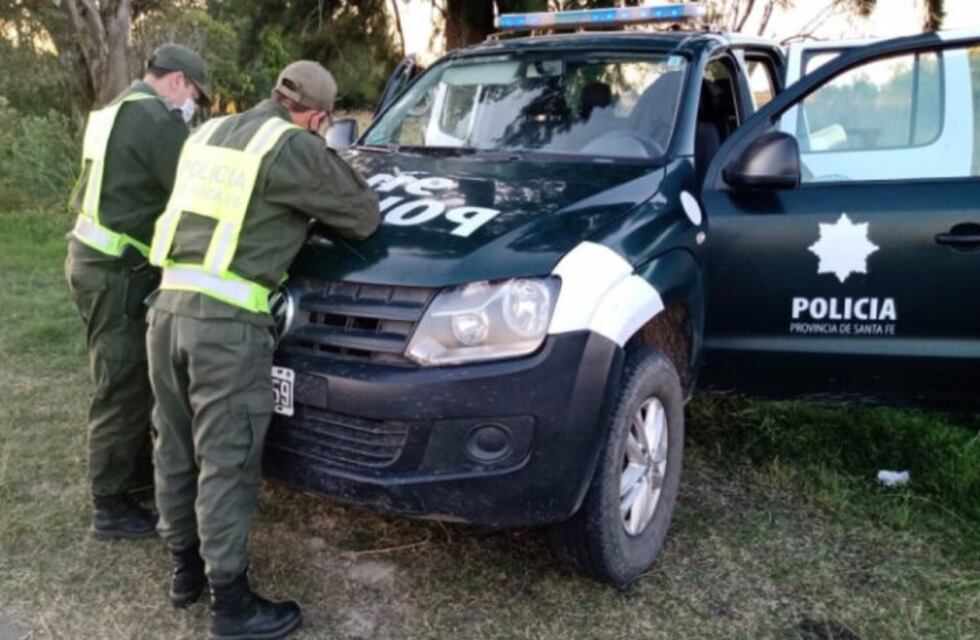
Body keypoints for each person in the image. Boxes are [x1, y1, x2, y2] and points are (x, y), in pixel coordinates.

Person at [145, 61, 379, 639]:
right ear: (318, 117)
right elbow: (363, 216)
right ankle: (231, 606)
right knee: (226, 459)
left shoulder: (208, 132)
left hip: (167, 310)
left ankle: (185, 573)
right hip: (224, 327)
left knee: (175, 445)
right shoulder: (291, 144)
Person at [65, 43, 210, 540]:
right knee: (121, 385)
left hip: (91, 259)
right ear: (177, 82)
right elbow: (194, 189)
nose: (191, 105)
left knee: (125, 375)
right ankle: (110, 506)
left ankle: (131, 476)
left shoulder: (114, 109)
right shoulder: (156, 121)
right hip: (115, 271)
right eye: (194, 94)